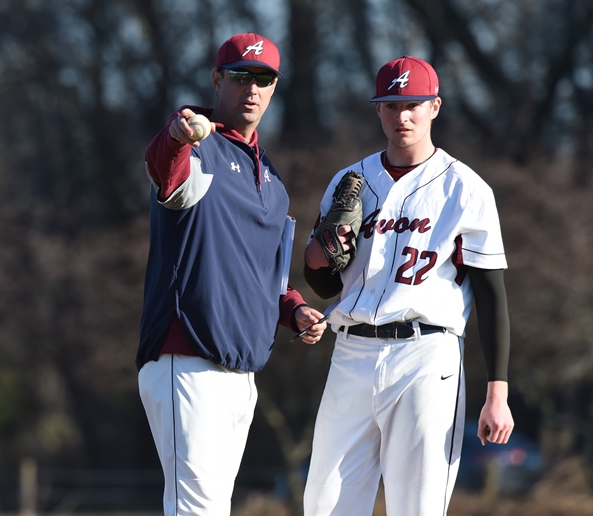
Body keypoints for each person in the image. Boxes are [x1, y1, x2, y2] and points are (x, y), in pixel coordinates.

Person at [301, 56, 515, 515]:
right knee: (324, 503)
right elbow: (320, 283)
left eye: (413, 104)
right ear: (377, 109)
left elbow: (493, 298)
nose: (403, 116)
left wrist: (497, 394)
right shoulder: (349, 181)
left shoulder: (466, 189)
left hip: (426, 354)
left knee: (417, 506)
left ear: (434, 106)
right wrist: (321, 251)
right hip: (351, 352)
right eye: (392, 104)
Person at [136, 33, 328, 515]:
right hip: (188, 355)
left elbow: (267, 276)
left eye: (264, 79)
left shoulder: (273, 182)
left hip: (241, 369)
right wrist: (180, 136)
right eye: (241, 76)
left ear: (275, 87)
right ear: (218, 79)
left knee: (213, 508)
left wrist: (295, 309)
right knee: (195, 509)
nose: (252, 89)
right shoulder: (200, 150)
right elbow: (165, 169)